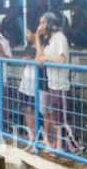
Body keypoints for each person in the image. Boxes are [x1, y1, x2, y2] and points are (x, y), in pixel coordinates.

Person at [35, 12, 75, 154]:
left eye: (43, 23)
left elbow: (62, 60)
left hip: (61, 85)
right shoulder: (50, 40)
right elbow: (39, 59)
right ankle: (57, 145)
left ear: (50, 24)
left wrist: (47, 58)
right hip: (52, 84)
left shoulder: (60, 38)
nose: (40, 26)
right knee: (56, 118)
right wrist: (37, 37)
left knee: (62, 119)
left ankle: (72, 147)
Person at [18, 26, 38, 141]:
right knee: (27, 108)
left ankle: (34, 134)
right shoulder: (28, 46)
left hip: (35, 82)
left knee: (32, 109)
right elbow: (24, 61)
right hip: (26, 81)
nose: (26, 35)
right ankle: (30, 134)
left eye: (28, 32)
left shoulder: (40, 46)